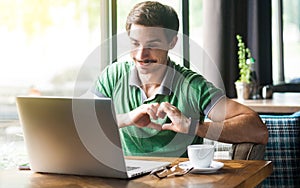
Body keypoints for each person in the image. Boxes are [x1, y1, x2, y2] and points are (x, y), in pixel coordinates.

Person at [93, 1, 268, 157]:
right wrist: (127, 118)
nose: (141, 54)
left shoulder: (192, 86)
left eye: (152, 45)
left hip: (177, 184)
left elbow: (258, 130)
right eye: (135, 43)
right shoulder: (113, 76)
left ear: (172, 42)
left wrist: (193, 127)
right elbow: (86, 124)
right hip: (125, 182)